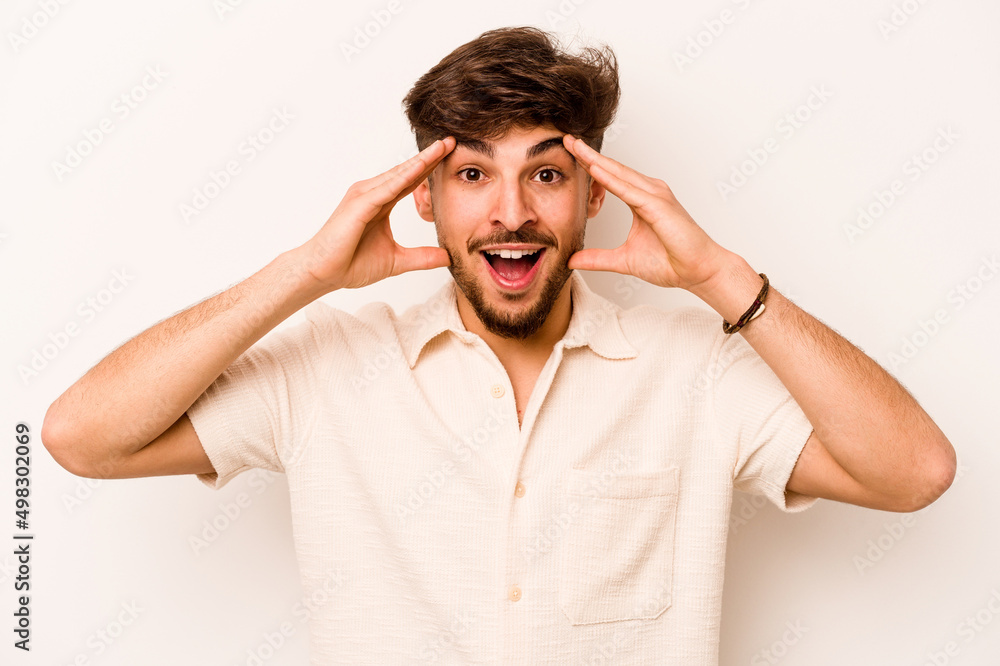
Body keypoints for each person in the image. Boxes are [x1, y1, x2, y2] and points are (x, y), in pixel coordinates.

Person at [42, 25, 956, 665]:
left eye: (546, 174)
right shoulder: (328, 366)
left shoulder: (693, 369)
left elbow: (913, 471)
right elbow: (83, 438)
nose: (511, 212)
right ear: (425, 199)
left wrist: (720, 275)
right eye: (473, 173)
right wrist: (303, 274)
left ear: (595, 195)